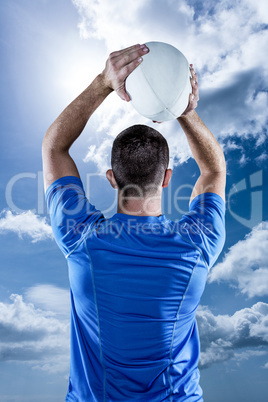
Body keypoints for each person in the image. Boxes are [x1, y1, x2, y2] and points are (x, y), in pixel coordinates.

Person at [42, 43, 226, 401]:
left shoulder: (82, 239)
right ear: (168, 177)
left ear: (112, 178)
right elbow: (215, 169)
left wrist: (104, 83)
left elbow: (54, 148)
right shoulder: (198, 244)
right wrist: (184, 110)